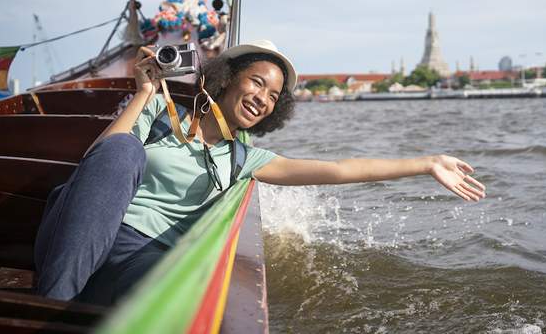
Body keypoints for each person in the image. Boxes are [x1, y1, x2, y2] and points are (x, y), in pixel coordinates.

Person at [33, 40, 485, 304]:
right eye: (257, 83)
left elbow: (340, 168)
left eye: (273, 97)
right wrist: (146, 91)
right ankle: (51, 308)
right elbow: (98, 160)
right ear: (227, 77)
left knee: (196, 287)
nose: (263, 98)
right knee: (122, 152)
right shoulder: (158, 110)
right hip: (83, 229)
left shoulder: (244, 159)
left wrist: (426, 163)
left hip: (140, 259)